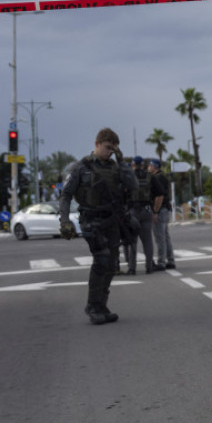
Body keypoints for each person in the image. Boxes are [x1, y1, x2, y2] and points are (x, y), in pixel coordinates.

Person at [59, 128, 139, 325]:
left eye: (113, 150)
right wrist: (65, 221)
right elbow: (66, 195)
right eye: (107, 148)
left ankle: (101, 305)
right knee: (101, 260)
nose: (109, 152)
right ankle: (93, 306)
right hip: (91, 220)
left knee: (111, 265)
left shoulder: (115, 166)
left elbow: (134, 185)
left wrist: (121, 161)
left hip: (112, 220)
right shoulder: (82, 167)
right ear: (97, 144)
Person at [124, 156, 157, 275]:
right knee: (147, 241)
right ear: (142, 165)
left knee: (133, 241)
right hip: (147, 210)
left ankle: (132, 268)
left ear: (133, 164)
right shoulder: (150, 176)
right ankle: (149, 266)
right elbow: (158, 193)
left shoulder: (128, 176)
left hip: (133, 211)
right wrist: (155, 210)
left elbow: (123, 193)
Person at [147, 158, 173, 271]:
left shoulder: (157, 178)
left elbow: (159, 196)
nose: (148, 167)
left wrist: (155, 212)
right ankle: (170, 260)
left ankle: (161, 262)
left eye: (150, 165)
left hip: (161, 210)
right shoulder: (163, 177)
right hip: (166, 209)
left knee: (160, 237)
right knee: (166, 236)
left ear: (154, 166)